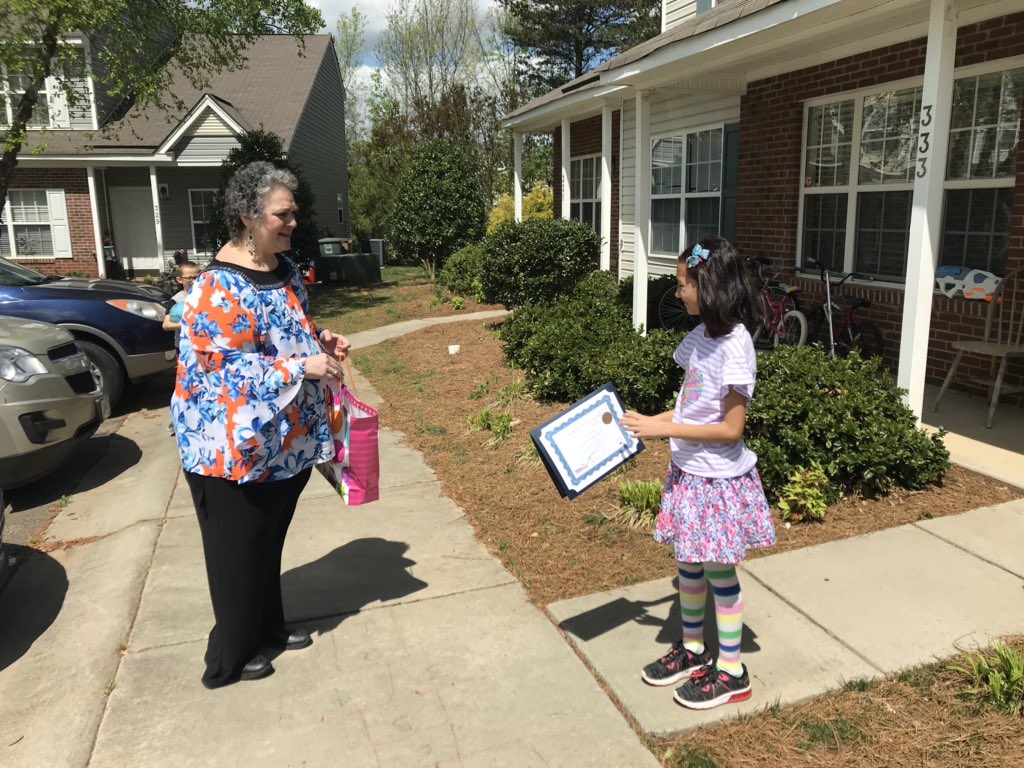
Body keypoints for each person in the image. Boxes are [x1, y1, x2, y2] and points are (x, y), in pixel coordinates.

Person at [170, 161, 350, 689]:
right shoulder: (214, 289)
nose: (293, 222)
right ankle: (230, 654)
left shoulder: (285, 271)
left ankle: (267, 628)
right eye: (282, 214)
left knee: (266, 542)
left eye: (293, 212)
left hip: (282, 444)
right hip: (229, 448)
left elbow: (290, 333)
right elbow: (221, 373)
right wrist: (301, 367)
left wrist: (321, 343)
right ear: (248, 218)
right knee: (236, 551)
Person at [620, 236, 776, 711]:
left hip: (718, 482)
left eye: (684, 284)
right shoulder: (700, 340)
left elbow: (730, 429)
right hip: (688, 473)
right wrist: (649, 423)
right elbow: (690, 407)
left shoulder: (736, 346)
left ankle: (732, 671)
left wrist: (660, 428)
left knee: (719, 574)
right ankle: (692, 651)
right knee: (688, 567)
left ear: (711, 288)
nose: (678, 293)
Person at [163, 262, 200, 432]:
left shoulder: (204, 295)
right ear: (179, 279)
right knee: (185, 384)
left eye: (197, 276)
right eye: (189, 277)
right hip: (184, 350)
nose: (194, 280)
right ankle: (177, 418)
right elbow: (166, 324)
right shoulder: (175, 301)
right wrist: (189, 323)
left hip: (202, 347)